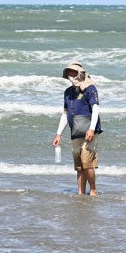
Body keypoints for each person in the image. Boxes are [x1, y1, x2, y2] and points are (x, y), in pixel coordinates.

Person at [52, 61, 102, 195]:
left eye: (73, 72)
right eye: (69, 72)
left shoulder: (90, 89)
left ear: (79, 73)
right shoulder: (68, 92)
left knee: (87, 162)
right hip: (75, 131)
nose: (71, 74)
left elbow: (95, 109)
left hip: (89, 131)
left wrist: (92, 129)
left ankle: (93, 191)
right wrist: (58, 134)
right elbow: (65, 113)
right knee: (79, 165)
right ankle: (80, 193)